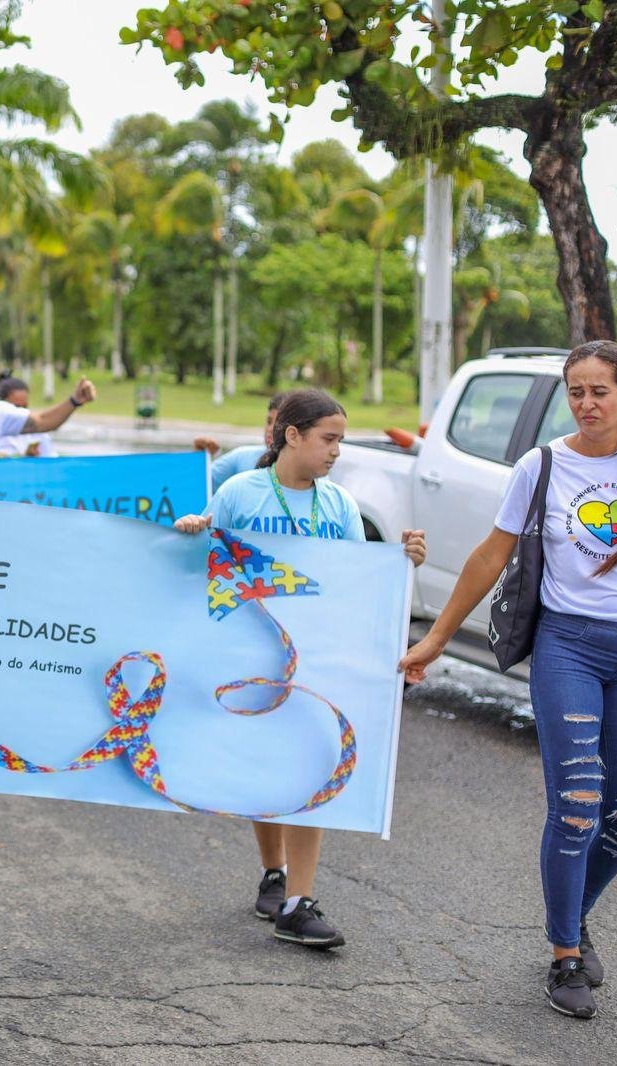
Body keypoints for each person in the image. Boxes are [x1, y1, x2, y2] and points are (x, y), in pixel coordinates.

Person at [400, 341, 617, 1020]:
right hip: (569, 649)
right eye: (575, 391)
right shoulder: (541, 465)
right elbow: (492, 555)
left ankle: (575, 916)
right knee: (579, 803)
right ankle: (564, 955)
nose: (586, 403)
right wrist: (433, 637)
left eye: (599, 390)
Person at [174, 390, 426, 952]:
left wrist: (400, 562)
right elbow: (209, 564)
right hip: (252, 655)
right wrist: (193, 532)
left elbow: (361, 581)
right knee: (266, 764)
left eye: (339, 440)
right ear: (292, 435)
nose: (337, 451)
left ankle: (298, 902)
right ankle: (274, 872)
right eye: (329, 439)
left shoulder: (339, 505)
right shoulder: (240, 492)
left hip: (321, 657)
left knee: (312, 767)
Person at [195, 393, 290, 493]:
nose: (270, 429)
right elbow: (199, 484)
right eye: (269, 421)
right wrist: (200, 458)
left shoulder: (302, 473)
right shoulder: (242, 457)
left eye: (278, 424)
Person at [0, 373, 58, 458]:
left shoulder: (37, 431)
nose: (22, 412)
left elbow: (51, 458)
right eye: (16, 407)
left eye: (25, 406)